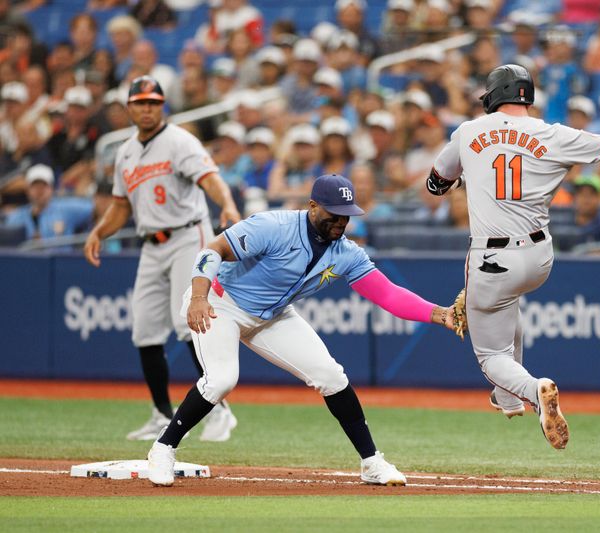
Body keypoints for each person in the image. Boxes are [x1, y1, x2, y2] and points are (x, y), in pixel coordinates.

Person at [427, 64, 600, 449]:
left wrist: (463, 175)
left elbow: (435, 183)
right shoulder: (553, 134)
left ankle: (530, 389)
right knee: (508, 305)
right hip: (539, 256)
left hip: (491, 256)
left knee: (490, 356)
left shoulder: (469, 130)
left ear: (493, 95)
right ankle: (506, 397)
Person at [146, 174, 456, 487]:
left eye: (346, 214)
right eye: (333, 212)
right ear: (312, 206)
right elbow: (212, 251)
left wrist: (438, 313)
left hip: (273, 315)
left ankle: (371, 462)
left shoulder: (346, 252)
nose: (341, 221)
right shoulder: (275, 226)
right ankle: (163, 449)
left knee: (331, 376)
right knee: (222, 380)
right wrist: (198, 297)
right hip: (220, 301)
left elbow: (387, 294)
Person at [83, 76, 242, 443]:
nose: (147, 108)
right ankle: (160, 413)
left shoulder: (179, 141)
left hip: (188, 234)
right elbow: (122, 206)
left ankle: (220, 409)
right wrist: (99, 232)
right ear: (129, 108)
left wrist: (228, 203)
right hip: (151, 244)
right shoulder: (125, 152)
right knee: (144, 330)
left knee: (187, 322)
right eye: (140, 102)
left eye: (153, 102)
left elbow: (210, 177)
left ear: (163, 106)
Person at [4, 164, 92, 241]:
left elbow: (97, 208)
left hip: (60, 259)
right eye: (35, 186)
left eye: (44, 186)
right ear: (27, 190)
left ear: (52, 188)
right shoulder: (17, 217)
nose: (39, 191)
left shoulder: (67, 209)